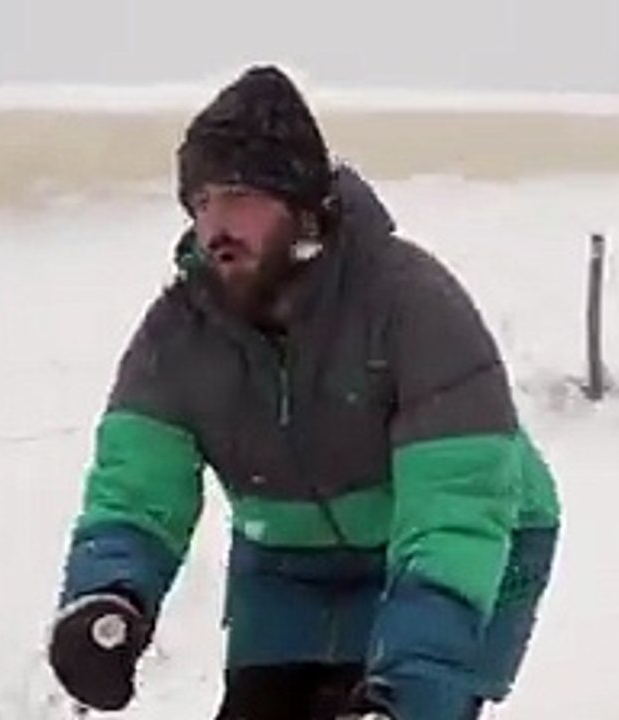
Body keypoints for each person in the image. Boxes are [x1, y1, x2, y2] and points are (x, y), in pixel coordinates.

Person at [48, 65, 562, 720]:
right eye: (200, 202)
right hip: (288, 556)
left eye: (236, 195)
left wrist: (409, 683)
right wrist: (107, 596)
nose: (215, 225)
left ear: (300, 205)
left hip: (471, 538)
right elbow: (136, 489)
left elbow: (455, 510)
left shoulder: (409, 302)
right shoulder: (180, 333)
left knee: (413, 696)